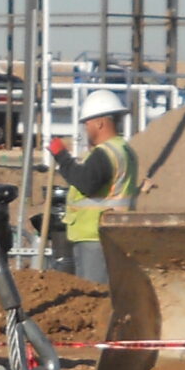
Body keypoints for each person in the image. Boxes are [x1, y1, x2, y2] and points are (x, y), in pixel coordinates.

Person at [49, 88, 140, 285]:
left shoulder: (105, 153)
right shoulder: (123, 149)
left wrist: (62, 157)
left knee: (94, 293)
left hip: (95, 235)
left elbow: (86, 182)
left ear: (100, 123)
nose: (86, 129)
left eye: (87, 124)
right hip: (107, 233)